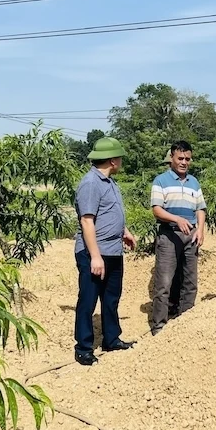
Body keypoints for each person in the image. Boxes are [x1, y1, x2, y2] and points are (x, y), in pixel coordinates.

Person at [73, 137, 137, 366]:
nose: (121, 161)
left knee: (111, 298)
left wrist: (124, 231)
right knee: (88, 300)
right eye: (119, 157)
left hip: (113, 250)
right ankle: (83, 348)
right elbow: (87, 221)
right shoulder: (91, 183)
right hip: (94, 252)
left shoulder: (109, 182)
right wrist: (96, 256)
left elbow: (109, 212)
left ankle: (111, 338)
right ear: (112, 160)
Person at [150, 141, 207, 335]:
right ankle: (159, 327)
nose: (184, 162)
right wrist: (176, 219)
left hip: (191, 235)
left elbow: (200, 208)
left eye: (187, 159)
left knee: (190, 282)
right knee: (164, 284)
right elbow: (156, 210)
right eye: (180, 158)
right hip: (169, 234)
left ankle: (185, 324)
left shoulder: (194, 182)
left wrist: (200, 229)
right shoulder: (161, 181)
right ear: (172, 158)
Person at [162, 148, 183, 316]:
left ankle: (176, 306)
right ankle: (168, 307)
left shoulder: (190, 182)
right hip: (168, 231)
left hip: (185, 234)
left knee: (181, 275)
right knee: (167, 277)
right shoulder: (162, 181)